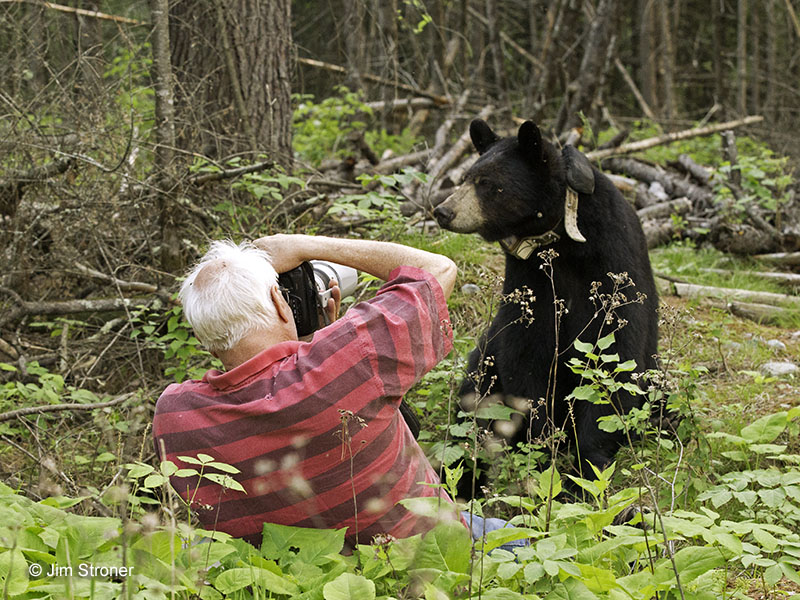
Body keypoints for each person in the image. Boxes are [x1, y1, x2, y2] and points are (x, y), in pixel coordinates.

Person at [152, 234, 460, 550]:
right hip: (431, 560)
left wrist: (316, 343)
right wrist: (302, 247)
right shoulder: (352, 358)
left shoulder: (174, 416)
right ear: (278, 301)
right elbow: (438, 269)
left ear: (208, 342)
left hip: (297, 579)